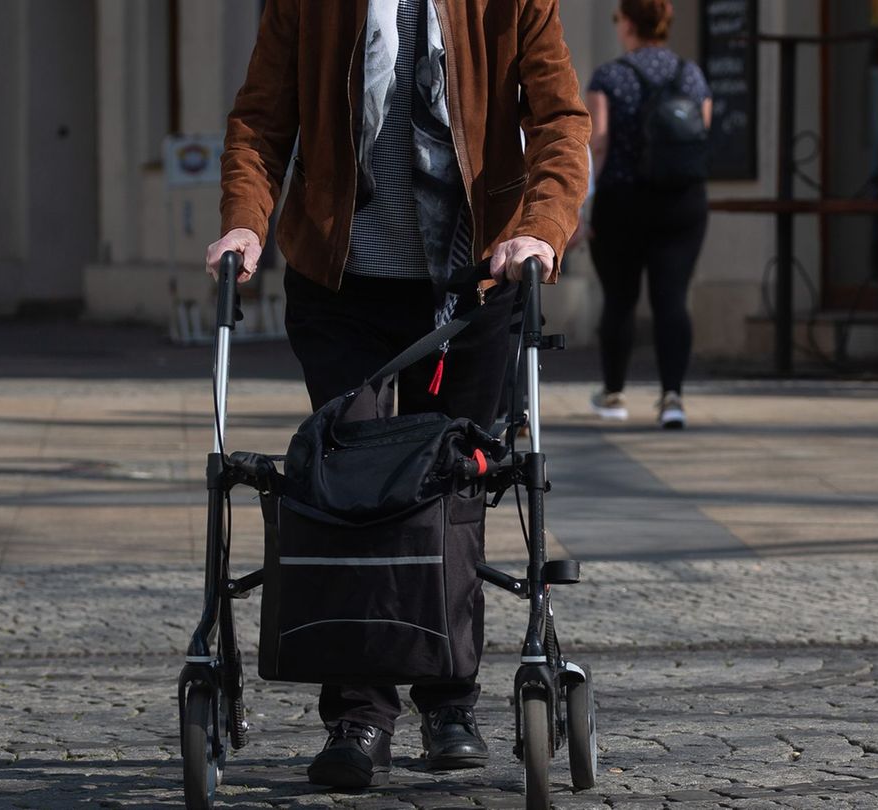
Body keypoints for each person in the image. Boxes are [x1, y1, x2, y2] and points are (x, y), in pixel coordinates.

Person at [205, 0, 589, 789]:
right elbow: (260, 121)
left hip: (474, 285)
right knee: (353, 488)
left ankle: (450, 699)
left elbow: (559, 119)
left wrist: (542, 230)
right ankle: (359, 713)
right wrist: (246, 221)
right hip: (341, 287)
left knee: (456, 486)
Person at [585, 0, 711, 428]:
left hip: (622, 200)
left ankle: (614, 395)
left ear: (629, 24)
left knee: (619, 300)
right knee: (672, 298)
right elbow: (701, 135)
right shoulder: (690, 74)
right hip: (682, 200)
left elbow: (597, 143)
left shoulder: (610, 76)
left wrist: (584, 203)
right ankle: (672, 398)